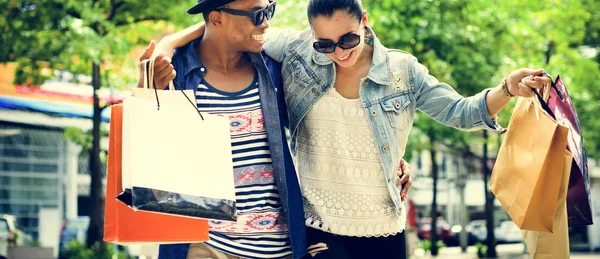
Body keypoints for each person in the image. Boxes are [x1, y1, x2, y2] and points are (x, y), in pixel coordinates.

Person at [144, 0, 551, 257]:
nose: (338, 52)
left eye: (348, 39)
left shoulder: (402, 71)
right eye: (325, 44)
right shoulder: (298, 52)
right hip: (320, 230)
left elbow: (462, 112)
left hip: (385, 230)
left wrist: (506, 89)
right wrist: (167, 43)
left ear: (365, 21)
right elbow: (232, 27)